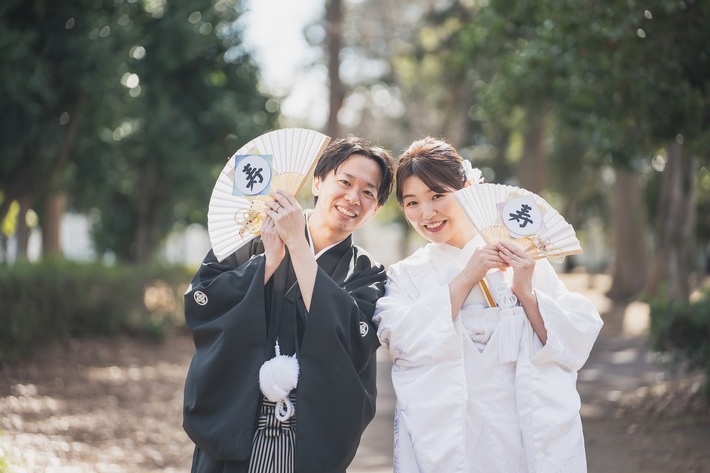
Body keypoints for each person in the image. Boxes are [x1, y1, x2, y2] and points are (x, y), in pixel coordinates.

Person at [373, 137, 603, 473]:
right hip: (454, 432)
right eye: (412, 203)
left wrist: (526, 293)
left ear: (468, 188)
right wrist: (467, 276)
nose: (427, 213)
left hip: (521, 424)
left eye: (437, 195)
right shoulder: (407, 275)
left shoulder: (520, 255)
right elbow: (402, 342)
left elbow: (571, 344)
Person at [182, 136, 395, 473]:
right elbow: (203, 303)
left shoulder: (367, 272)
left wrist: (296, 243)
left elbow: (354, 340)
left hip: (306, 437)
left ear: (376, 208)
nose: (353, 198)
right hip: (237, 419)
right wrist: (266, 263)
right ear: (318, 182)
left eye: (368, 192)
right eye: (345, 182)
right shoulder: (252, 237)